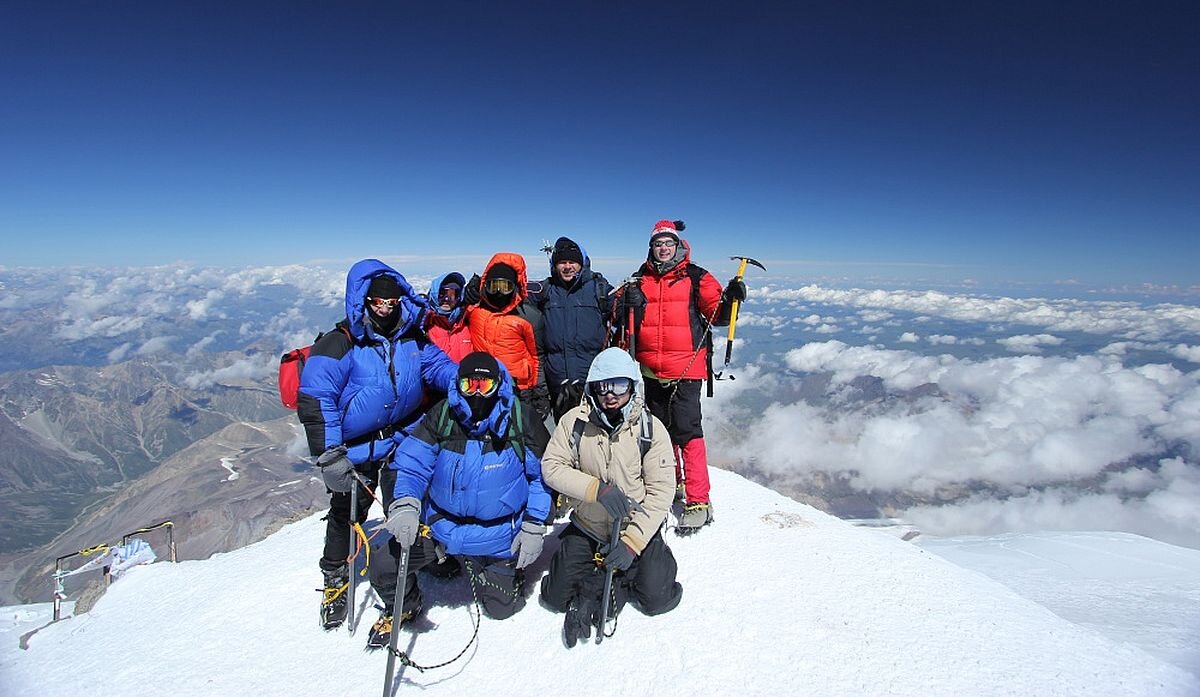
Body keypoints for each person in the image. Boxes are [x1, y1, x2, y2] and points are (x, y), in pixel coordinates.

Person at [296, 259, 458, 631]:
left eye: (391, 302)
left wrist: (466, 383)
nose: (385, 308)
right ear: (364, 302)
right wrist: (330, 455)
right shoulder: (340, 342)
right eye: (377, 302)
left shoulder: (411, 337)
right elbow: (316, 397)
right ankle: (336, 581)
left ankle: (405, 593)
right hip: (354, 451)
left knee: (407, 506)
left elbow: (437, 367)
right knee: (346, 515)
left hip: (401, 438)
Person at [366, 351, 552, 648]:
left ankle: (503, 571)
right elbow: (413, 464)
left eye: (485, 385)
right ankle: (407, 603)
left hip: (498, 534)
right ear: (458, 385)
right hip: (440, 526)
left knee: (501, 609)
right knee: (383, 563)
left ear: (499, 385)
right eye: (469, 384)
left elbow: (543, 478)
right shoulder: (443, 416)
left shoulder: (520, 419)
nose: (476, 393)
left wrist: (534, 524)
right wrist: (405, 504)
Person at [539, 347, 682, 646]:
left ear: (632, 385)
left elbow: (661, 491)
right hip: (589, 524)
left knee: (658, 598)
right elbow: (552, 467)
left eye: (619, 385)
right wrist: (595, 490)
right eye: (602, 386)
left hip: (633, 525)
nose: (610, 394)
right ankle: (601, 575)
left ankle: (632, 565)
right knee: (553, 596)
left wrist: (632, 544)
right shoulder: (574, 422)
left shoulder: (649, 429)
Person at [618, 220, 745, 533]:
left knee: (687, 433)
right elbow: (620, 318)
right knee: (660, 434)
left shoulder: (696, 277)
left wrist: (732, 299)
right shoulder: (639, 279)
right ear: (652, 247)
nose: (663, 248)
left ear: (678, 246)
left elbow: (720, 317)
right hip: (649, 370)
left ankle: (699, 499)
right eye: (658, 244)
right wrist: (625, 306)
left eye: (668, 243)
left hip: (686, 370)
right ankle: (671, 482)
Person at [527, 236, 615, 422]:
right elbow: (512, 295)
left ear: (582, 263)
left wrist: (635, 300)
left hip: (593, 381)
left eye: (572, 262)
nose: (567, 267)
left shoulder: (598, 289)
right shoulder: (546, 290)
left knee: (595, 434)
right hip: (558, 383)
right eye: (562, 262)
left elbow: (622, 312)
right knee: (564, 434)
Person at [464, 253, 540, 401]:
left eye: (505, 287)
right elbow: (450, 319)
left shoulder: (528, 316)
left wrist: (538, 391)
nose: (499, 292)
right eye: (494, 287)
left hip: (518, 387)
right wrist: (464, 297)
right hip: (483, 385)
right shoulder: (474, 310)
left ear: (515, 287)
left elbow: (538, 356)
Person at [423, 272, 474, 362]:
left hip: (465, 375)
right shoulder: (424, 322)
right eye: (442, 294)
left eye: (452, 295)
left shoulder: (466, 321)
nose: (446, 299)